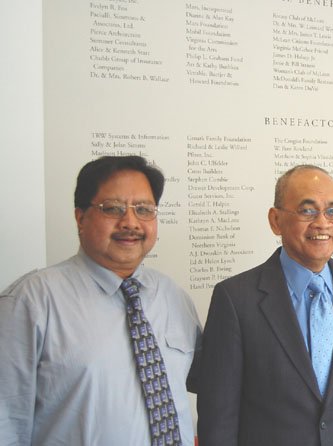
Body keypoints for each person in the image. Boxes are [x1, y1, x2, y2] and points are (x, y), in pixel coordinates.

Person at [0, 155, 202, 445]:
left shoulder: (174, 298)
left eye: (144, 209)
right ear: (80, 217)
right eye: (113, 209)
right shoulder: (30, 302)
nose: (130, 222)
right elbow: (6, 424)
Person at [196, 164, 333, 446]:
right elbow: (218, 414)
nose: (323, 223)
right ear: (275, 220)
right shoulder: (235, 299)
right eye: (307, 210)